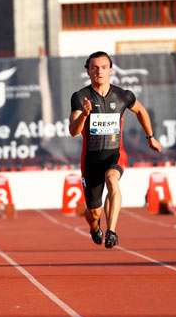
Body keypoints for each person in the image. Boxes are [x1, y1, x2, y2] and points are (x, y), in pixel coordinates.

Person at [69, 51, 162, 249]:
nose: (99, 71)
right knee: (94, 213)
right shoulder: (80, 97)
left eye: (103, 67)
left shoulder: (123, 95)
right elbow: (73, 131)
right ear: (88, 71)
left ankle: (111, 231)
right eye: (94, 68)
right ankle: (95, 228)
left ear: (110, 70)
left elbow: (141, 111)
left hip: (115, 155)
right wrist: (84, 114)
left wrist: (150, 137)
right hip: (91, 160)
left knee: (113, 181)